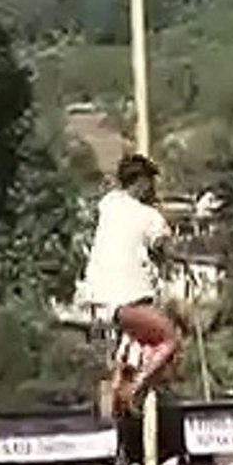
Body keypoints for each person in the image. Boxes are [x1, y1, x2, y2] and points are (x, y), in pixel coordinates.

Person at [81, 153, 180, 412]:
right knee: (168, 340)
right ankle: (134, 389)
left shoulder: (109, 203)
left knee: (137, 344)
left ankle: (118, 381)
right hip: (127, 296)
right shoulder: (149, 217)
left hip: (97, 297)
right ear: (144, 182)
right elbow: (163, 248)